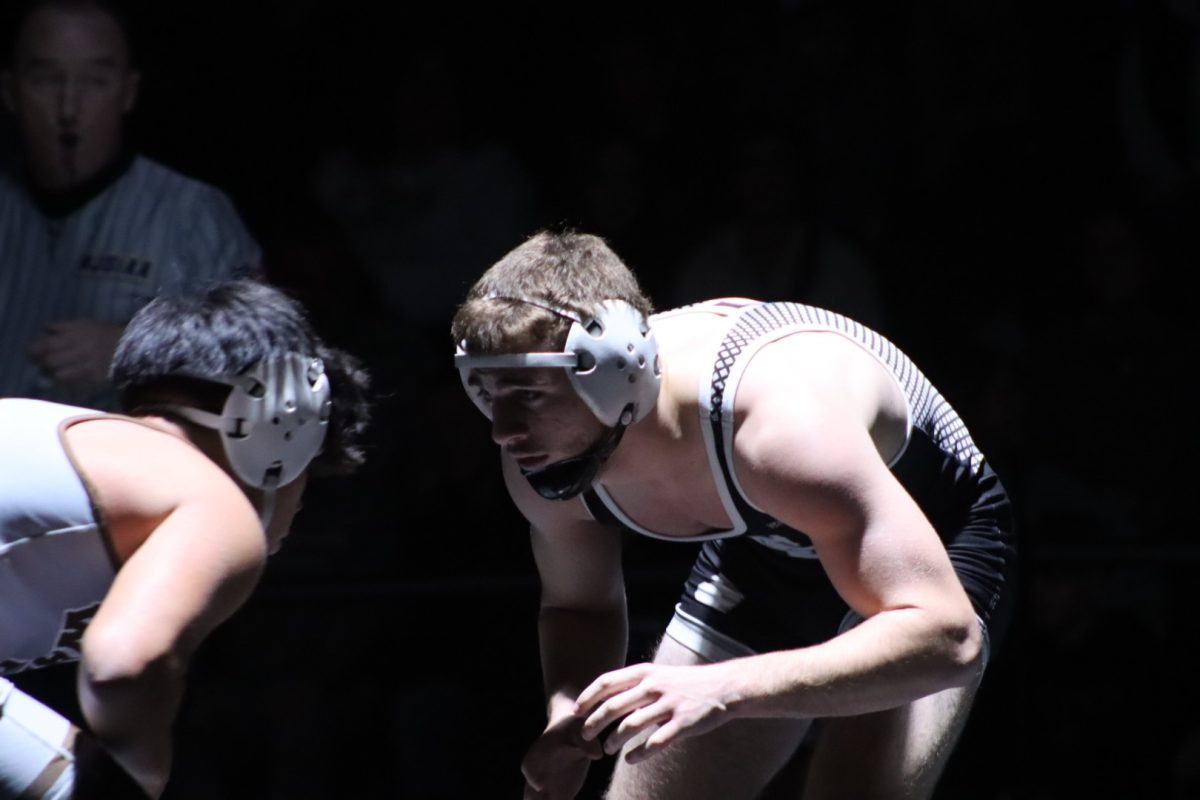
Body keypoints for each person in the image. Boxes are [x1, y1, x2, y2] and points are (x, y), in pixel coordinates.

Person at [450, 231, 1016, 799]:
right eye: (487, 393)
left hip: (925, 547)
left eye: (528, 394)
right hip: (772, 546)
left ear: (611, 370)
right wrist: (569, 719)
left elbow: (947, 638)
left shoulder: (776, 427)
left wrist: (722, 689)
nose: (503, 429)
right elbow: (580, 605)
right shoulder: (539, 463)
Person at [0, 279, 370, 799]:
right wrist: (142, 776)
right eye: (309, 471)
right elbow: (122, 664)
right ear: (291, 421)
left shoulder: (56, 433)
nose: (301, 498)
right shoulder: (213, 501)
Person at [0, 0, 261, 409]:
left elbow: (263, 355)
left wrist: (133, 349)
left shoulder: (193, 214)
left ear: (128, 92)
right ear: (10, 92)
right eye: (46, 80)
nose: (68, 108)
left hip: (127, 465)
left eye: (95, 81)